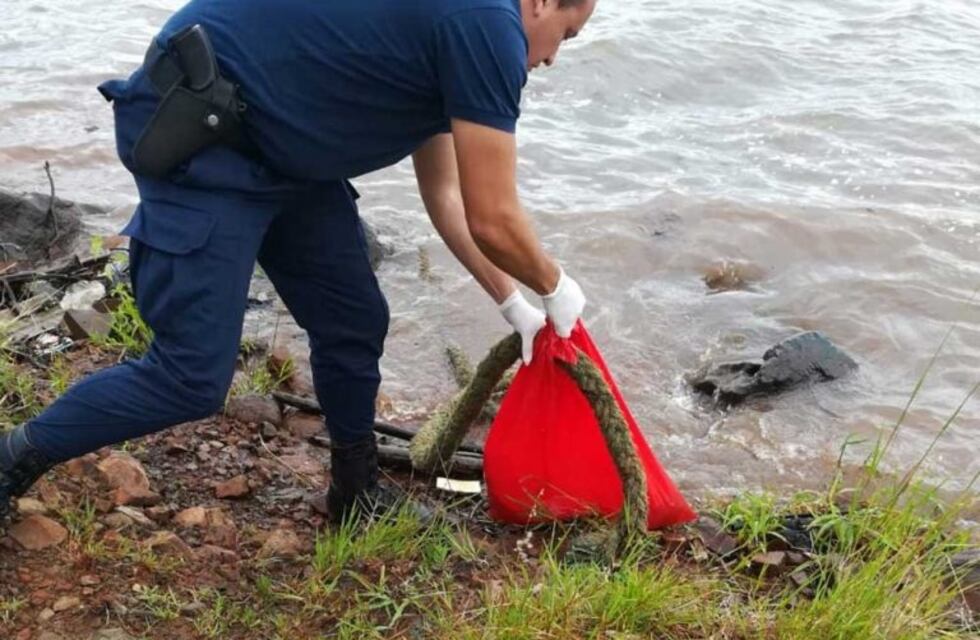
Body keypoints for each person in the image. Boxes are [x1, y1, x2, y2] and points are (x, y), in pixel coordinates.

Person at [1, 0, 595, 526]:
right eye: (567, 35)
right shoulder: (488, 25)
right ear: (541, 2)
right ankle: (13, 456)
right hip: (207, 129)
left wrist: (514, 304)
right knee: (189, 377)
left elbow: (451, 202)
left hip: (287, 146)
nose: (551, 60)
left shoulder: (467, 29)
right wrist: (554, 284)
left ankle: (354, 492)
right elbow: (494, 217)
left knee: (353, 317)